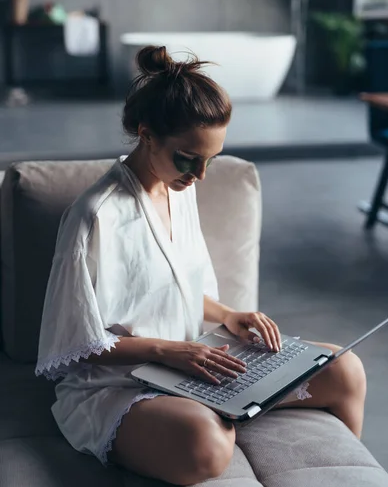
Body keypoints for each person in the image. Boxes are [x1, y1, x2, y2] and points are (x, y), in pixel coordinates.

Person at [35, 46, 367, 486]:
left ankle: (227, 404)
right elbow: (76, 343)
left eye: (210, 159)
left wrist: (229, 315)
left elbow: (176, 290)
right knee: (207, 446)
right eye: (189, 158)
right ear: (146, 133)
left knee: (344, 370)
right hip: (117, 384)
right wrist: (167, 351)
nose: (201, 175)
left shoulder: (180, 189)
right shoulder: (94, 215)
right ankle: (218, 411)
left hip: (197, 361)